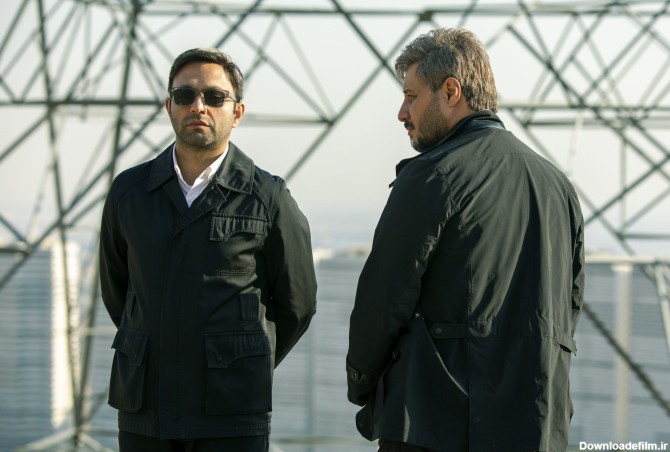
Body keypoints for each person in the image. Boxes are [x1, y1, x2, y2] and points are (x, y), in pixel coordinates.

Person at [346, 28, 584, 452]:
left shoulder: (433, 175)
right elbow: (570, 304)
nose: (402, 113)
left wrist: (362, 381)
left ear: (451, 91)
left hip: (436, 422)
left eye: (411, 96)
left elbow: (384, 297)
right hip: (537, 422)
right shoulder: (559, 187)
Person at [99, 47, 317, 452]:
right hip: (146, 409)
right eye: (185, 96)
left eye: (215, 97)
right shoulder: (129, 193)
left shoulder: (268, 197)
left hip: (232, 412)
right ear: (169, 106)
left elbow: (298, 304)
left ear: (237, 112)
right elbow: (118, 292)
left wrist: (241, 360)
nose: (198, 106)